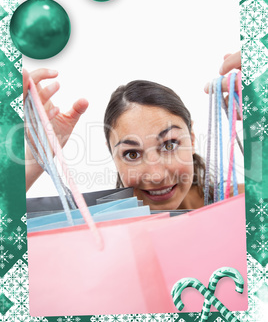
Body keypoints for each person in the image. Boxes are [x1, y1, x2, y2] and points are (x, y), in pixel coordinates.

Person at [24, 51, 243, 210]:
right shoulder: (102, 233)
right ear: (114, 159)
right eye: (132, 154)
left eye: (169, 144)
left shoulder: (245, 205)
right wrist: (35, 157)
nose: (156, 175)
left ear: (192, 138)